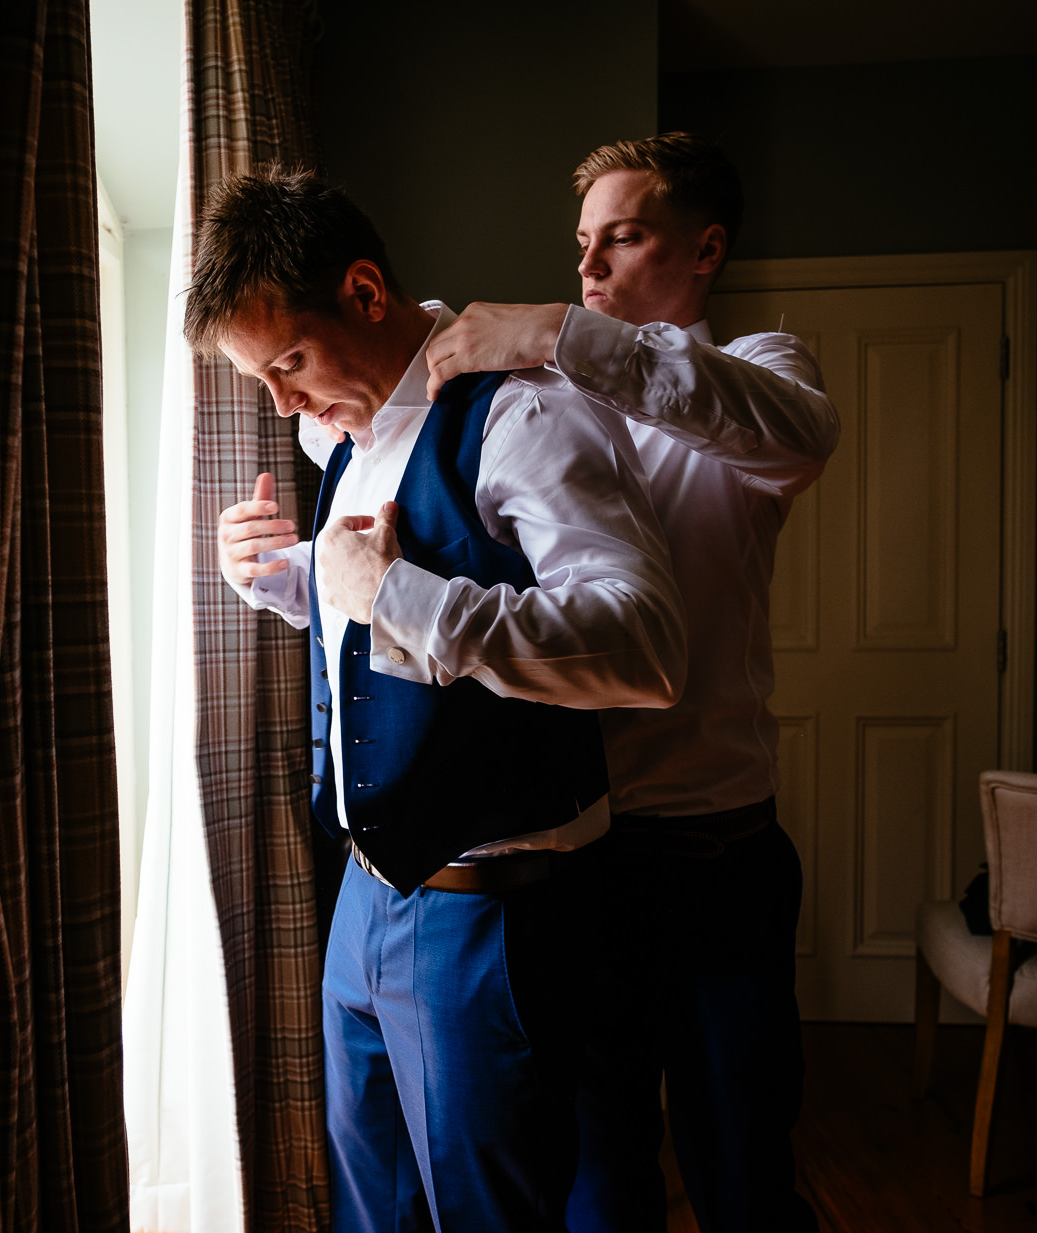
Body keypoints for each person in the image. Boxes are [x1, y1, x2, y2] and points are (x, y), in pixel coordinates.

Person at [189, 167, 687, 1233]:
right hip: (365, 897)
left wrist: (400, 597)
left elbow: (645, 645)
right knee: (372, 1212)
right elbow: (383, 609)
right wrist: (279, 579)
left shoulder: (524, 418)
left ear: (365, 294)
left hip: (492, 913)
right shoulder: (348, 433)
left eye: (287, 363)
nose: (281, 403)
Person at [418, 133, 840, 1233]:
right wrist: (280, 571)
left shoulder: (762, 372)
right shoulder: (544, 411)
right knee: (598, 1182)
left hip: (714, 862)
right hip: (574, 868)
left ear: (704, 249)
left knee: (742, 1178)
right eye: (581, 243)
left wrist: (558, 332)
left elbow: (801, 437)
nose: (588, 265)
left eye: (624, 236)